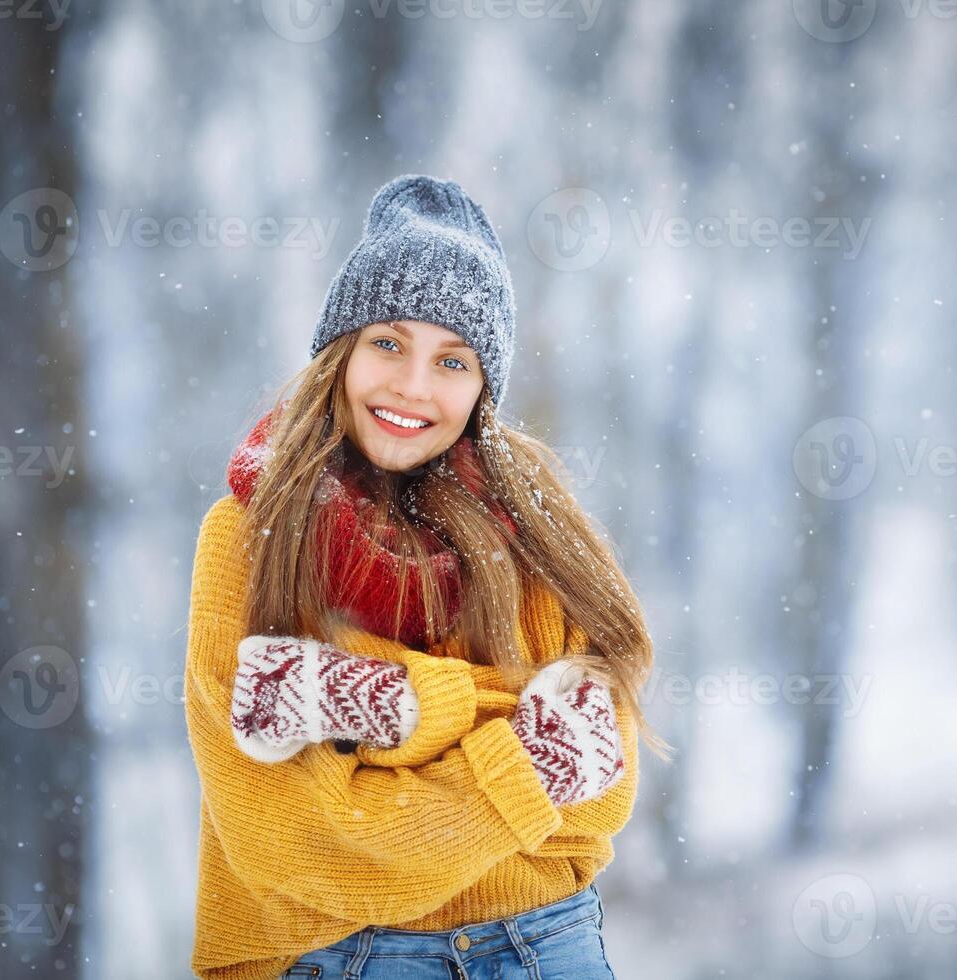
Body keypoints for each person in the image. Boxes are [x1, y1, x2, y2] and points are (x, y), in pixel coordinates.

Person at [184, 174, 670, 980]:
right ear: (338, 353)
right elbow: (298, 840)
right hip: (344, 960)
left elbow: (597, 800)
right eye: (387, 343)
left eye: (454, 359)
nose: (413, 386)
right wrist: (514, 739)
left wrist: (388, 709)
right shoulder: (248, 538)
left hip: (546, 947)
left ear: (483, 390)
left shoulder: (536, 530)